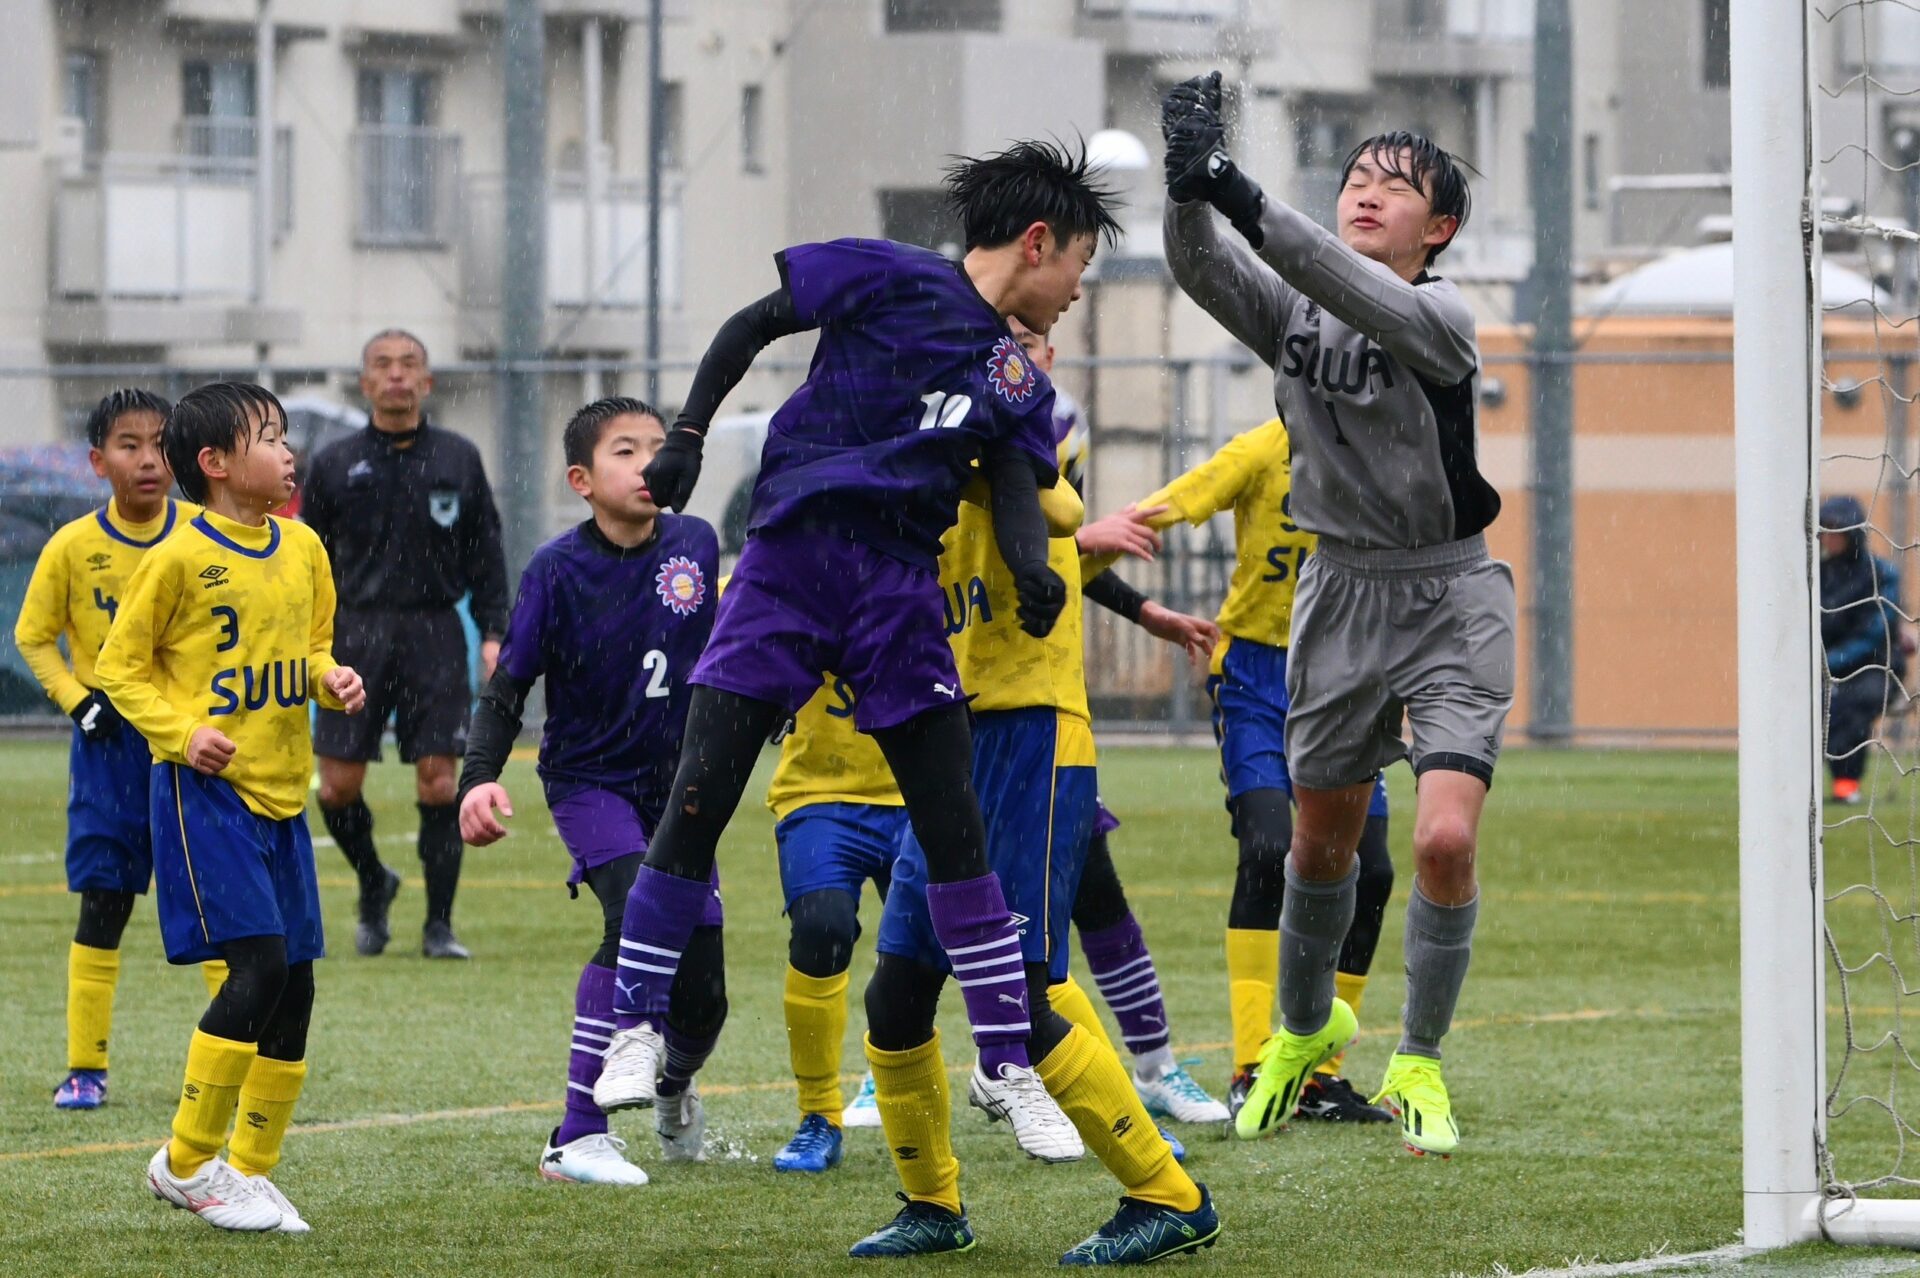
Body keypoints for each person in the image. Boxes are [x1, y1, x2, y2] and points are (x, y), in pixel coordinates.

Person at [591, 141, 1101, 1139]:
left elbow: (1013, 483)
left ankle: (1006, 1060)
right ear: (1039, 243)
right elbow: (753, 323)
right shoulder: (889, 273)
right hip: (788, 562)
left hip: (899, 590)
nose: (1080, 291)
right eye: (1082, 264)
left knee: (954, 827)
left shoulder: (1012, 374)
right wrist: (688, 434)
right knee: (700, 792)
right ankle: (635, 1026)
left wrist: (1032, 569)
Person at [1162, 74, 1513, 1158]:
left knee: (1443, 839)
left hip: (1451, 596)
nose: (1365, 192)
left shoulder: (1441, 319)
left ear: (1437, 229)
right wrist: (1185, 184)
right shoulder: (1297, 312)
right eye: (1356, 176)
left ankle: (1420, 1059)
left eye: (1394, 186)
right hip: (1339, 595)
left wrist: (1235, 185)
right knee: (1317, 852)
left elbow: (1327, 272)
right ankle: (1302, 1032)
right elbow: (1203, 265)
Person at [848, 312, 1222, 1260]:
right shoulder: (922, 437)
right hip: (947, 732)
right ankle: (934, 1206)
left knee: (1020, 987)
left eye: (1024, 334)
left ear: (1046, 356)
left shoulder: (1029, 432)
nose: (1007, 352)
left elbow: (1045, 510)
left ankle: (1168, 1194)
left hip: (1031, 733)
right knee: (897, 992)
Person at [97, 382, 366, 1233]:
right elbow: (118, 669)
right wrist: (183, 734)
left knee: (296, 987)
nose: (288, 452)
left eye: (285, 436)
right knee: (256, 970)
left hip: (283, 796)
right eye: (269, 438)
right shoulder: (176, 557)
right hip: (207, 794)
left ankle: (248, 1170)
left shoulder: (304, 546)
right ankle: (184, 1164)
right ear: (214, 463)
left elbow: (312, 647)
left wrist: (330, 677)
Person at [1089, 416, 1396, 1124]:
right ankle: (1254, 1064)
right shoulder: (1264, 449)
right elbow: (1181, 499)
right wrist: (1095, 537)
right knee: (1265, 851)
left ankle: (1318, 1075)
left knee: (1372, 871)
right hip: (1257, 676)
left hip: (1347, 680)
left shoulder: (1384, 450)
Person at [456, 397, 725, 1184]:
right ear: (581, 480)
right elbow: (507, 690)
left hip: (683, 789)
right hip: (590, 782)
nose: (648, 464)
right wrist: (477, 779)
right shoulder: (556, 569)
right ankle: (575, 1135)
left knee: (704, 994)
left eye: (657, 447)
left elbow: (725, 652)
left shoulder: (697, 543)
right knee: (630, 911)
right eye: (625, 451)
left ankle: (673, 1082)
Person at [1014, 319, 1231, 1128]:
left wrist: (1147, 613)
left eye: (1030, 341)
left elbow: (1052, 554)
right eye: (1006, 338)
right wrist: (1082, 539)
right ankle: (910, 1063)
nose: (1020, 353)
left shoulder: (1057, 424)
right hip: (972, 702)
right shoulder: (959, 421)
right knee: (943, 907)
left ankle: (1152, 1065)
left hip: (1044, 700)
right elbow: (1000, 549)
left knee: (1090, 892)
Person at [16, 390, 228, 1111]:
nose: (147, 459)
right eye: (128, 444)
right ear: (97, 460)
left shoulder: (203, 534)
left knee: (212, 906)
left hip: (189, 747)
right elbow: (33, 637)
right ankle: (86, 1068)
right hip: (108, 751)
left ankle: (233, 1059)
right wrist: (78, 701)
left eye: (160, 444)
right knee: (104, 901)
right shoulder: (73, 546)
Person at [302, 329, 510, 960]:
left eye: (409, 364)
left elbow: (486, 552)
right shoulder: (333, 463)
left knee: (440, 783)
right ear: (365, 382)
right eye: (383, 365)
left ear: (427, 381)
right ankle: (374, 881)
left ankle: (438, 925)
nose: (396, 374)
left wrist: (494, 634)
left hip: (435, 632)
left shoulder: (458, 457)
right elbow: (307, 561)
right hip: (353, 634)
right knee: (336, 788)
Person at [762, 673, 897, 1173]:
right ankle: (818, 1113)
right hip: (817, 790)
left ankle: (1034, 1075)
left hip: (922, 784)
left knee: (935, 943)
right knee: (821, 928)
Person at [1821, 494, 1903, 804]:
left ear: (1853, 532)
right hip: (1823, 667)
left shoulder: (1882, 574)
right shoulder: (1816, 574)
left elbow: (1874, 633)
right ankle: (1795, 785)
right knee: (1806, 705)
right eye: (1824, 530)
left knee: (1853, 703)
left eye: (1836, 530)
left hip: (1875, 666)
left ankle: (1846, 785)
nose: (1829, 538)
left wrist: (1831, 662)